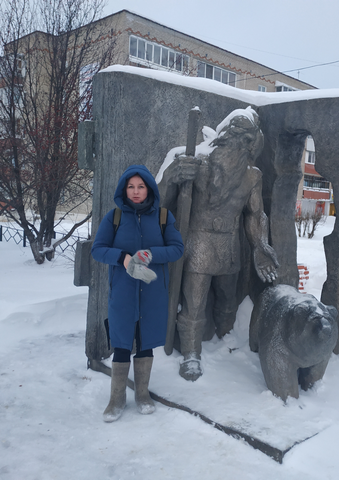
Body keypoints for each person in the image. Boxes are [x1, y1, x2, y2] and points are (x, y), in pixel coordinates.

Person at [158, 108, 278, 382]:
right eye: (233, 139)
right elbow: (159, 201)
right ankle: (191, 353)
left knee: (227, 299)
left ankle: (225, 339)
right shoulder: (195, 163)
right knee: (194, 302)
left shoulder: (252, 176)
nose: (238, 147)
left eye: (245, 142)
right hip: (198, 242)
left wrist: (260, 245)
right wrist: (172, 176)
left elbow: (256, 214)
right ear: (223, 138)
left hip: (229, 243)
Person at [91, 165, 183, 422]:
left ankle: (142, 394)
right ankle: (117, 398)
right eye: (131, 186)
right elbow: (98, 249)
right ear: (124, 189)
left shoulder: (164, 217)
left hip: (152, 293)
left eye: (140, 186)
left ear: (149, 189)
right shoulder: (115, 217)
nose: (135, 191)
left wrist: (152, 254)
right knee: (121, 343)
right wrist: (122, 257)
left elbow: (177, 248)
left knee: (144, 344)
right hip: (122, 292)